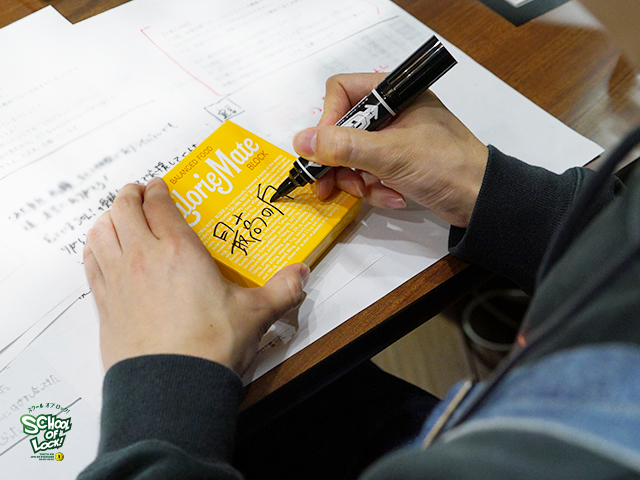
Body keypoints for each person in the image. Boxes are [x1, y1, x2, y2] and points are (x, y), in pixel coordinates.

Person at [78, 0, 640, 478]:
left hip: (463, 438)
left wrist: (161, 391)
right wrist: (486, 188)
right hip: (481, 415)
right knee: (318, 397)